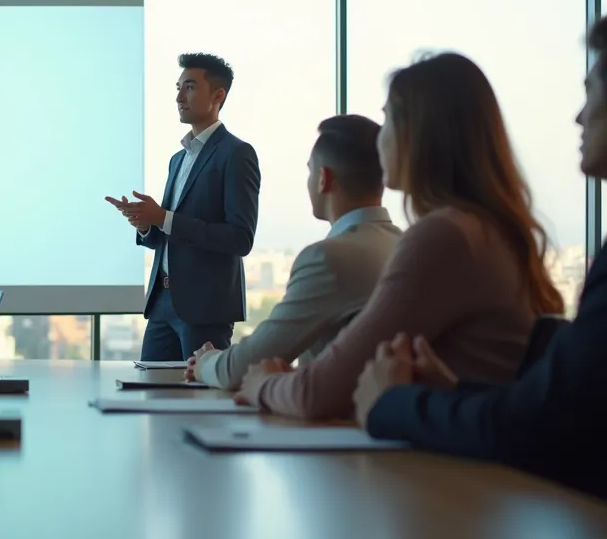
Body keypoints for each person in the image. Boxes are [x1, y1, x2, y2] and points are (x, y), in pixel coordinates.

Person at [353, 17, 607, 499]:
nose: (579, 117)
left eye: (591, 91)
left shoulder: (446, 234)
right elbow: (565, 413)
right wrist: (451, 392)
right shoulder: (490, 230)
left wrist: (395, 404)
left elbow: (540, 428)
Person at [236, 52, 562, 420]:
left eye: (387, 119)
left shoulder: (445, 236)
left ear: (417, 134)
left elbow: (317, 393)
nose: (380, 140)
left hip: (449, 457)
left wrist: (262, 383)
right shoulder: (489, 229)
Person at [186, 115, 402, 390]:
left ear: (323, 179)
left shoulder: (327, 259)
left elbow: (244, 367)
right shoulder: (402, 244)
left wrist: (206, 362)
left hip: (333, 412)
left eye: (310, 171)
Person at [106, 53, 260, 361]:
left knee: (201, 391)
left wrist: (163, 217)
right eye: (178, 88)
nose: (178, 97)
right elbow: (170, 231)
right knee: (148, 387)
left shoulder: (236, 154)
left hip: (205, 309)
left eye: (189, 87)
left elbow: (240, 238)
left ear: (218, 96)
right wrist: (146, 224)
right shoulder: (178, 159)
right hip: (161, 303)